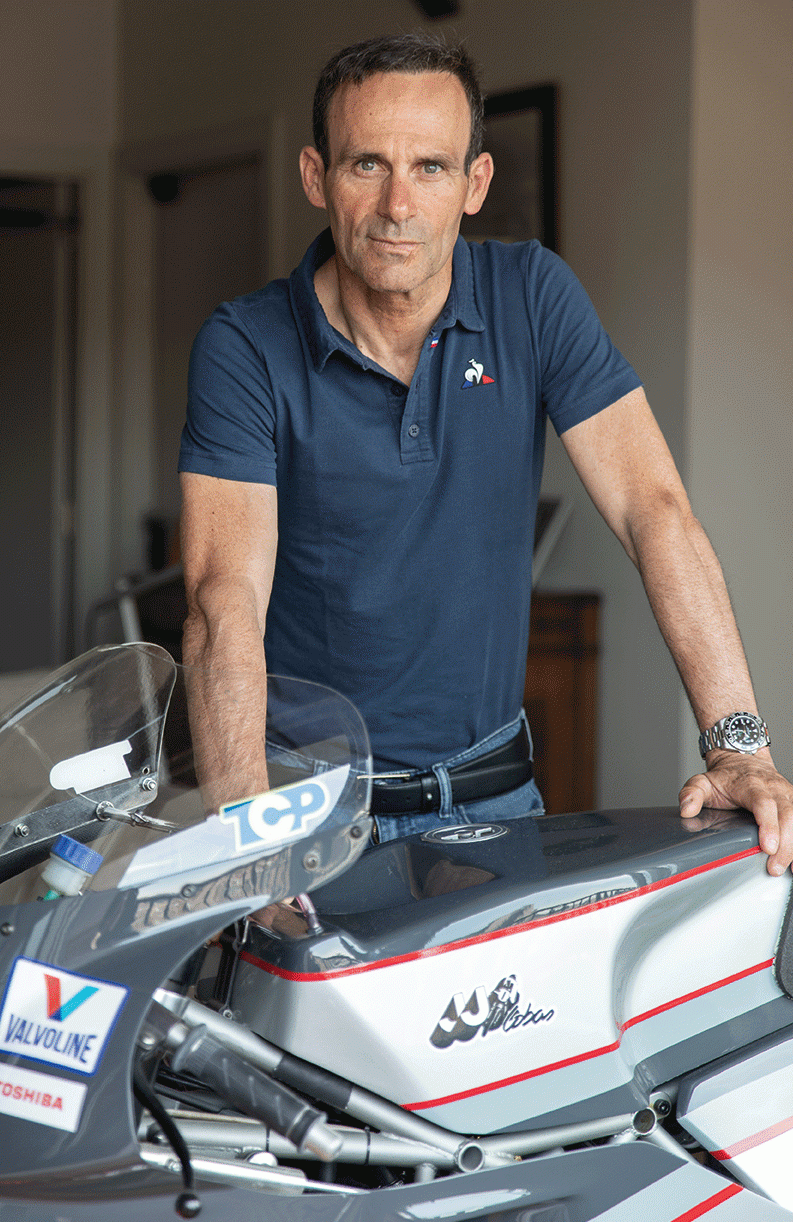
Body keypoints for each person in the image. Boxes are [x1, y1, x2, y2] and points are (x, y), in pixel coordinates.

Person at [179, 32, 793, 872]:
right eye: (367, 165)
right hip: (305, 812)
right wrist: (246, 840)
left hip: (493, 803)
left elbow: (652, 512)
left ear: (475, 184)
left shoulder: (531, 295)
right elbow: (223, 599)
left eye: (430, 167)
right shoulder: (244, 344)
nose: (398, 204)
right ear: (316, 176)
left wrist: (740, 749)